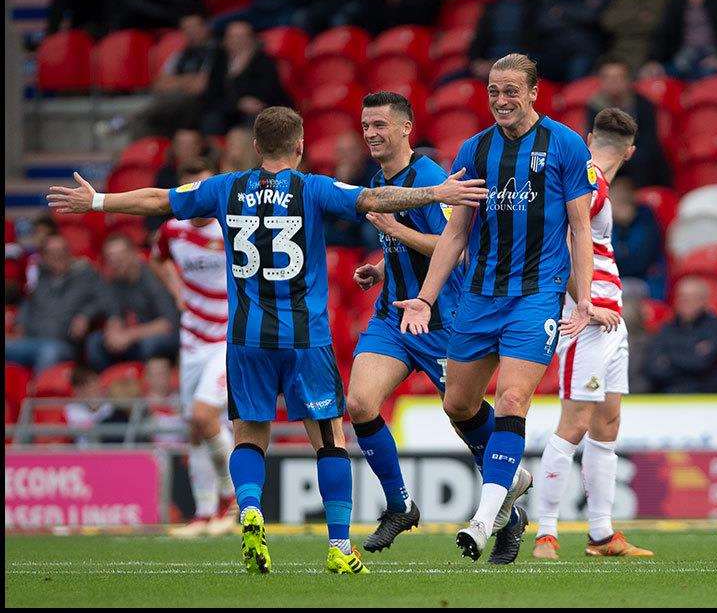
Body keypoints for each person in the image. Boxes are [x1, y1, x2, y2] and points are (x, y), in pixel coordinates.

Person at [47, 106, 486, 575]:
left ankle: (251, 511)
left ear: (256, 147)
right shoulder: (313, 188)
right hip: (305, 339)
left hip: (245, 339)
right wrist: (437, 192)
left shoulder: (225, 187)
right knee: (330, 439)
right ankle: (339, 546)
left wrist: (97, 202)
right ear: (299, 147)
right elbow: (375, 199)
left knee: (248, 435)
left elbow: (160, 199)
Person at [394, 53, 600, 563]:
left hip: (536, 295)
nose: (502, 101)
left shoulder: (565, 146)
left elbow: (580, 229)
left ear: (533, 92)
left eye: (511, 91)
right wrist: (425, 296)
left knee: (512, 399)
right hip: (480, 297)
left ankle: (485, 518)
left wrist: (585, 295)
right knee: (458, 405)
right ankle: (514, 483)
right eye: (494, 92)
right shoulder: (474, 149)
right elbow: (456, 233)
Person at [346, 91, 493, 553]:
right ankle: (399, 505)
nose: (371, 133)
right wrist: (383, 266)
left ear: (406, 127)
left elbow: (457, 247)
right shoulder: (379, 180)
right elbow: (407, 247)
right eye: (366, 126)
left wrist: (396, 231)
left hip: (440, 319)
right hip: (393, 317)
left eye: (380, 125)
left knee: (464, 416)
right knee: (359, 403)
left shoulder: (432, 178)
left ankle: (503, 506)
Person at [532, 107, 653, 560]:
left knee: (607, 424)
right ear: (631, 152)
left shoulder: (590, 181)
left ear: (588, 137)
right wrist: (586, 304)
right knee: (575, 424)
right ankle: (546, 533)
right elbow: (560, 249)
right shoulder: (591, 184)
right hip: (588, 320)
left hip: (609, 320)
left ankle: (601, 535)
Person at [150, 160, 236, 538]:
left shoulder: (230, 226)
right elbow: (158, 260)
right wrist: (177, 292)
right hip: (192, 339)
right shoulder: (171, 230)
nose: (194, 200)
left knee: (205, 416)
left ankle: (233, 498)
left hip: (226, 337)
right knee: (195, 430)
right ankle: (204, 514)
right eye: (187, 194)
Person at [5, 235, 104, 371]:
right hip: (31, 339)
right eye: (52, 252)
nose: (58, 256)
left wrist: (85, 315)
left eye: (62, 251)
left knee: (49, 352)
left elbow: (102, 299)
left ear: (69, 253)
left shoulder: (85, 275)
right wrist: (20, 323)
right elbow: (27, 303)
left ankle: (37, 391)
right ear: (44, 256)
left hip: (62, 343)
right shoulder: (40, 278)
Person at [84, 234, 181, 371]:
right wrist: (113, 332)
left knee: (150, 344)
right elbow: (114, 315)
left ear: (133, 254)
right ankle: (111, 383)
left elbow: (169, 323)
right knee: (95, 342)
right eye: (111, 258)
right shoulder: (113, 281)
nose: (116, 262)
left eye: (120, 256)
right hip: (133, 336)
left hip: (163, 334)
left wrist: (129, 336)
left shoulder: (151, 277)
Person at [585, 57, 672, 188]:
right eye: (607, 78)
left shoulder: (644, 105)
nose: (613, 83)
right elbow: (594, 141)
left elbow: (649, 143)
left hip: (639, 163)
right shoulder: (594, 106)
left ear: (629, 80)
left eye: (618, 77)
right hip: (608, 161)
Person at [135, 12, 218, 138]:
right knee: (147, 117)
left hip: (199, 103)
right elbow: (158, 84)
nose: (191, 33)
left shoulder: (216, 52)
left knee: (143, 117)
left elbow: (199, 86)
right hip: (172, 101)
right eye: (186, 29)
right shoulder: (180, 55)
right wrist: (187, 80)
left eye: (194, 27)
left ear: (205, 28)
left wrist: (174, 82)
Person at [202, 21, 292, 135]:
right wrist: (237, 103)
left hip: (261, 109)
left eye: (242, 36)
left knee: (257, 118)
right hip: (229, 109)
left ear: (252, 39)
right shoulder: (220, 62)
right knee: (211, 119)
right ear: (225, 40)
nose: (237, 41)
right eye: (232, 37)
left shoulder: (264, 61)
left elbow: (268, 92)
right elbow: (212, 93)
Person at [642, 277, 717, 394]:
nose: (684, 301)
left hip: (706, 399)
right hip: (668, 398)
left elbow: (701, 364)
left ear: (704, 300)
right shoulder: (666, 328)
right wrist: (689, 354)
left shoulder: (716, 327)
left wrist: (669, 358)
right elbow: (653, 368)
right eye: (681, 297)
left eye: (690, 298)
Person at [640, 0, 717, 81]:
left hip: (714, 56)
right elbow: (663, 35)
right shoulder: (676, 2)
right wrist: (653, 60)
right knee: (650, 77)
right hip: (684, 57)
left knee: (705, 78)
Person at [610, 176, 667, 299]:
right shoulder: (606, 221)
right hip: (615, 280)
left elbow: (637, 261)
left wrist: (625, 226)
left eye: (622, 199)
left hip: (645, 281)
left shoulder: (646, 219)